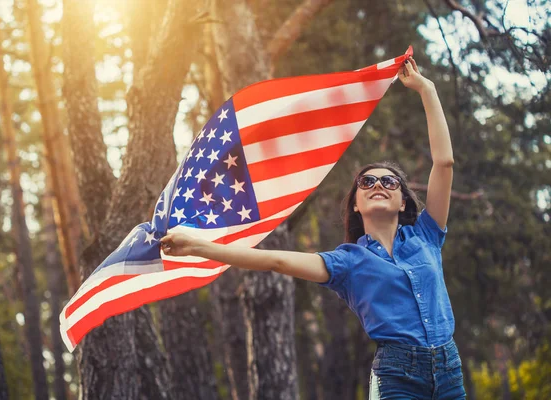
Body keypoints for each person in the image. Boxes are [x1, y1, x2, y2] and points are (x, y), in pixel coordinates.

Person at [160, 57, 465, 399]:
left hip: (449, 370)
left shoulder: (427, 234)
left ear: (404, 201)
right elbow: (276, 261)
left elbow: (444, 162)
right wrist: (199, 246)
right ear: (355, 203)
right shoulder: (348, 261)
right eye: (367, 181)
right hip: (397, 375)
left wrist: (427, 88)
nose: (378, 184)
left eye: (390, 182)